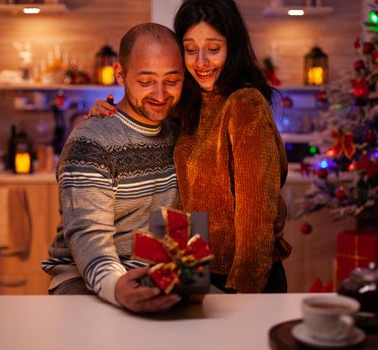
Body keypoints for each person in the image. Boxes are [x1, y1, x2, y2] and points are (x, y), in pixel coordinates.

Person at [88, 0, 290, 293]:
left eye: (213, 48)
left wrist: (243, 299)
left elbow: (256, 223)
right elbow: (145, 116)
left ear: (231, 46)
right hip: (194, 270)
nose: (201, 62)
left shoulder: (245, 104)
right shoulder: (190, 104)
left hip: (239, 280)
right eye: (190, 49)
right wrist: (110, 114)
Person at [42, 23, 185, 313]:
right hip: (86, 279)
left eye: (172, 80)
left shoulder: (178, 136)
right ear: (120, 74)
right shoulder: (92, 140)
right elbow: (88, 233)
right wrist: (116, 287)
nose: (160, 93)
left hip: (153, 273)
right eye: (146, 81)